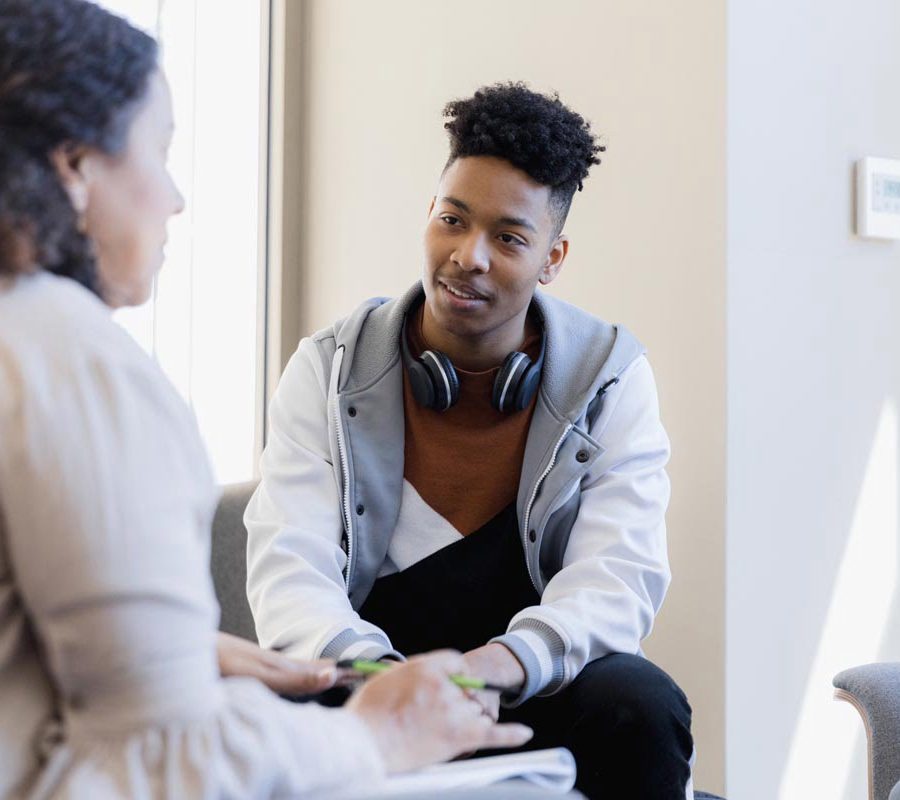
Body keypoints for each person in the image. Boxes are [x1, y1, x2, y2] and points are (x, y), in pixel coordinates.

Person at [0, 2, 533, 797]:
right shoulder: (74, 363)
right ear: (75, 166)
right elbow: (166, 755)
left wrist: (174, 650)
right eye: (162, 150)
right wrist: (375, 734)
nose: (176, 198)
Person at [245, 82, 695, 799]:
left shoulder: (611, 378)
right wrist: (392, 688)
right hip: (369, 680)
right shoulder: (327, 366)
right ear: (430, 213)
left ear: (553, 256)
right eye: (452, 220)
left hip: (525, 683)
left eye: (509, 238)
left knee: (640, 704)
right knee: (265, 708)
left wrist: (491, 669)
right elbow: (290, 569)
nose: (468, 256)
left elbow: (617, 578)